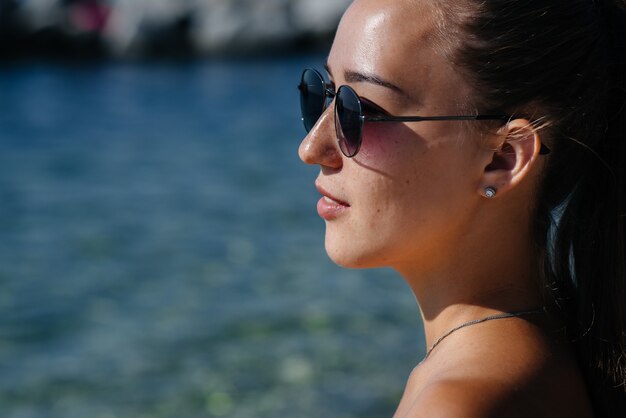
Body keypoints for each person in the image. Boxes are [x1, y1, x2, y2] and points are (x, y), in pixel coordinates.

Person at [297, 0, 626, 416]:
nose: (311, 148)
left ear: (502, 158)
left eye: (359, 111)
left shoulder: (459, 402)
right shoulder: (559, 346)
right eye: (322, 95)